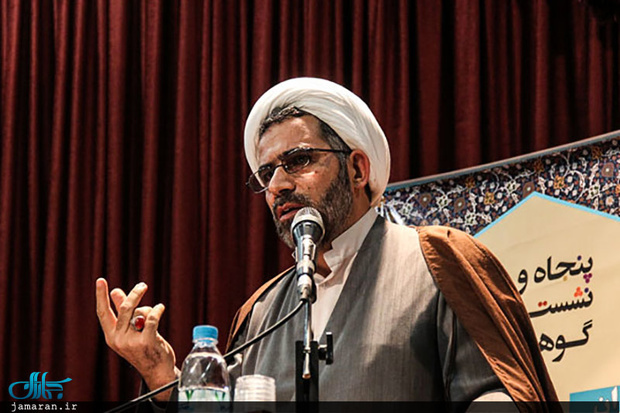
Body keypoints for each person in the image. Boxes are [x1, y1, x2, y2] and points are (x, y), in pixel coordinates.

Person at [96, 77, 558, 408]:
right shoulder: (262, 311)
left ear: (357, 168)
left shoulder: (437, 259)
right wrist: (161, 374)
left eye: (298, 160)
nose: (277, 185)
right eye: (266, 173)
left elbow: (497, 394)